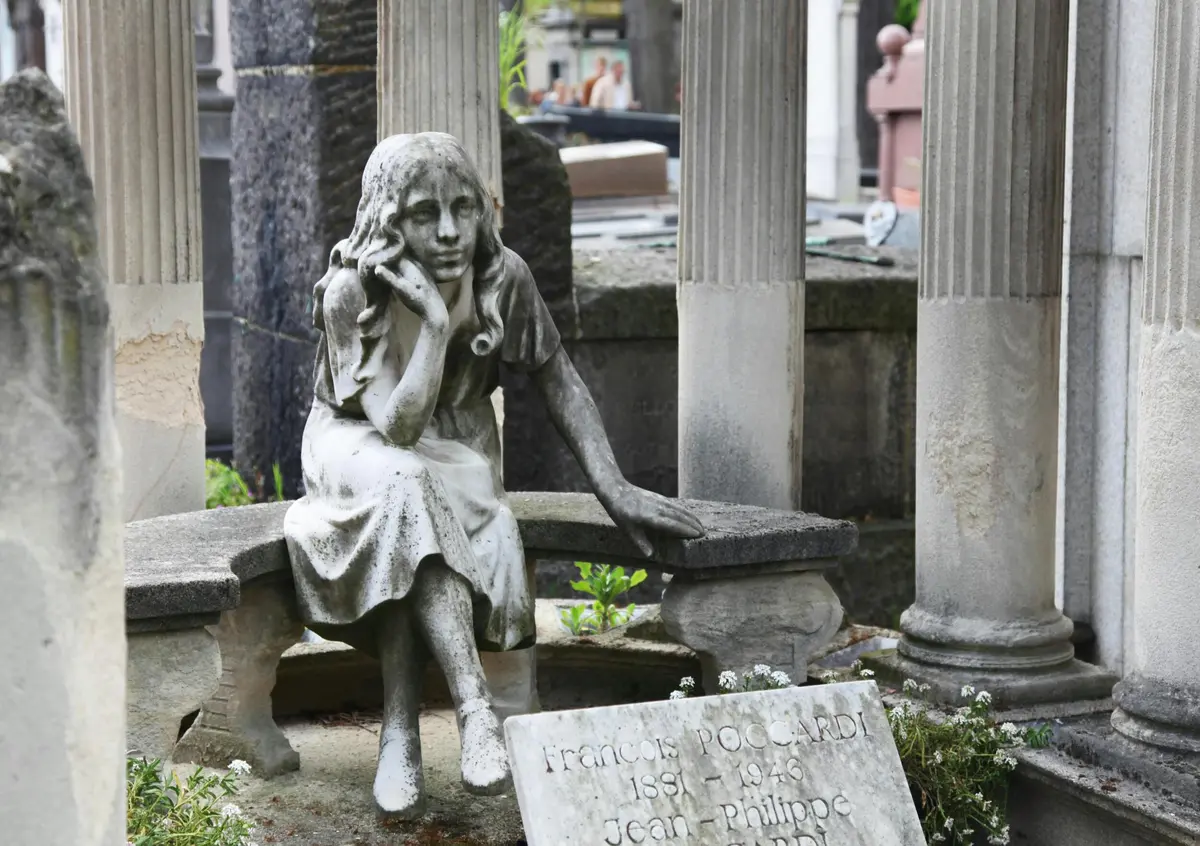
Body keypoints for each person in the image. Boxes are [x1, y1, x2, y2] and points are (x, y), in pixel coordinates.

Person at [284, 133, 703, 819]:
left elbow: (556, 375)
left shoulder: (503, 276)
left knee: (425, 508)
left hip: (452, 447)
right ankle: (472, 708)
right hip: (353, 445)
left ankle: (402, 731)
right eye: (424, 213)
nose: (449, 231)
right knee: (403, 484)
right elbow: (394, 428)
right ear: (388, 218)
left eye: (463, 208)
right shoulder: (349, 291)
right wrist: (437, 325)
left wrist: (614, 487)